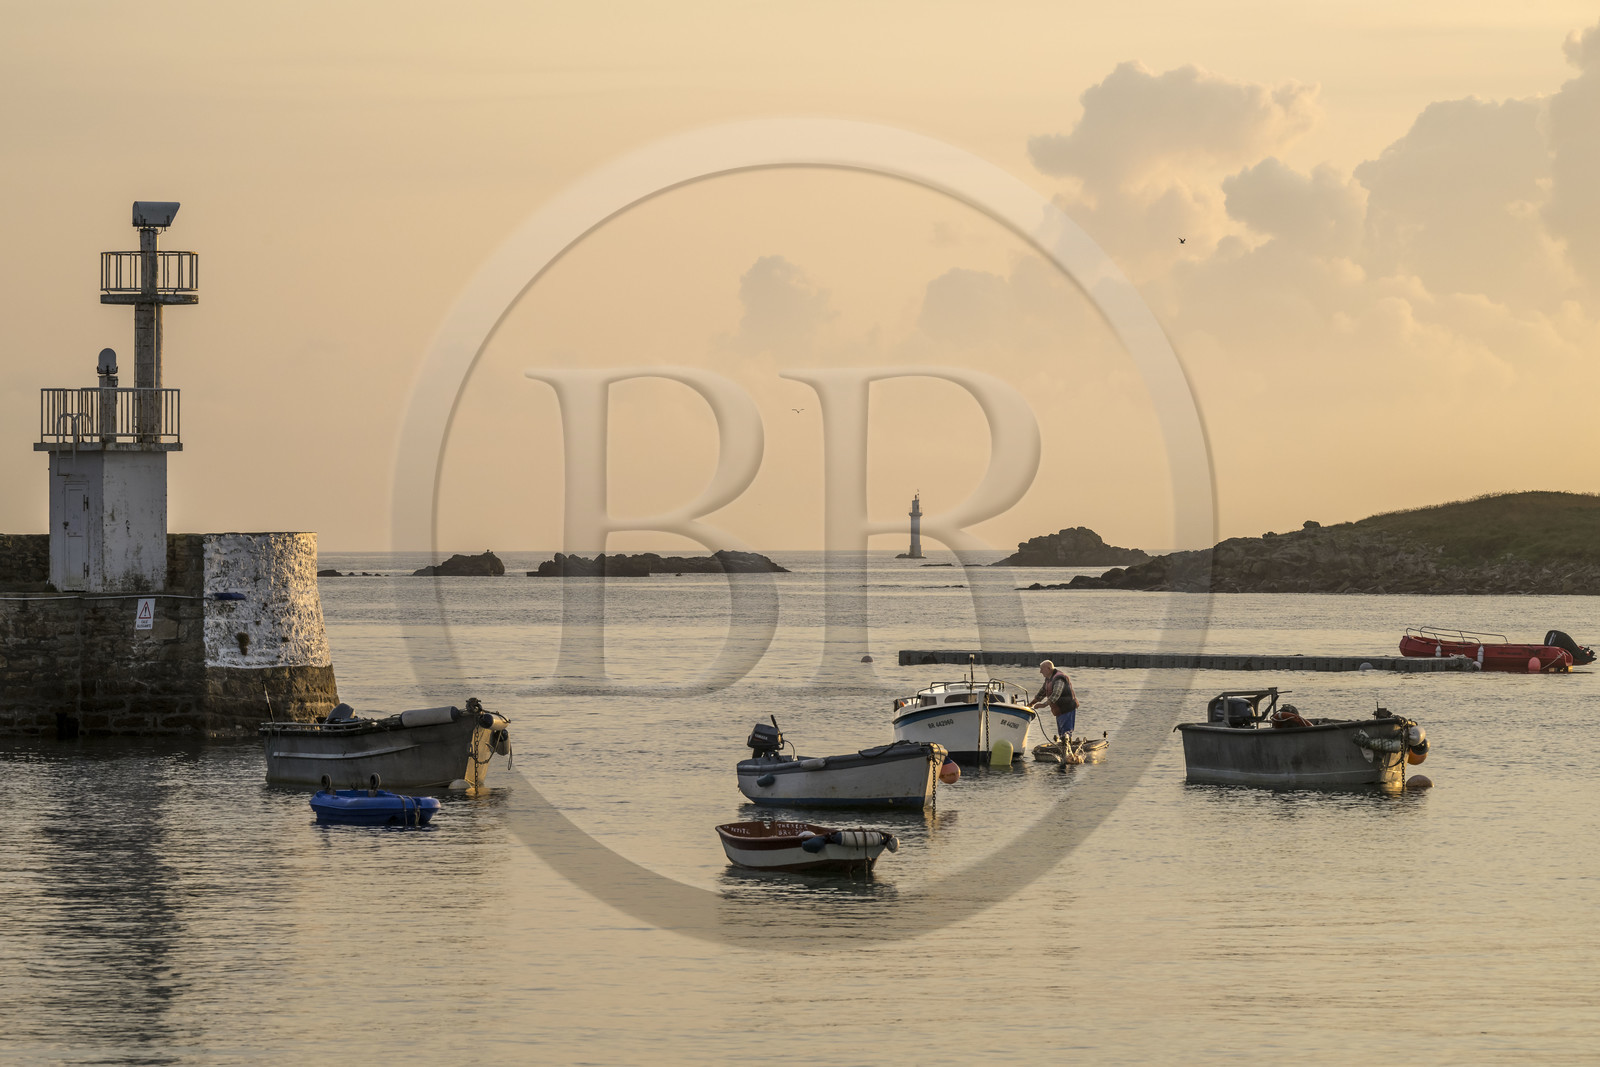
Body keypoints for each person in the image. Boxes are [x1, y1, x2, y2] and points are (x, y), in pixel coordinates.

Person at [1031, 659, 1078, 741]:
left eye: (1042, 669)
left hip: (1067, 708)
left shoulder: (1059, 678)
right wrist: (1031, 704)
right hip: (1059, 710)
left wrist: (1044, 705)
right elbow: (1041, 694)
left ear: (1048, 668)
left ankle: (1067, 747)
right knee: (1061, 732)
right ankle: (1064, 746)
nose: (1040, 671)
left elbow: (1056, 694)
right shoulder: (1048, 679)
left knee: (1066, 731)